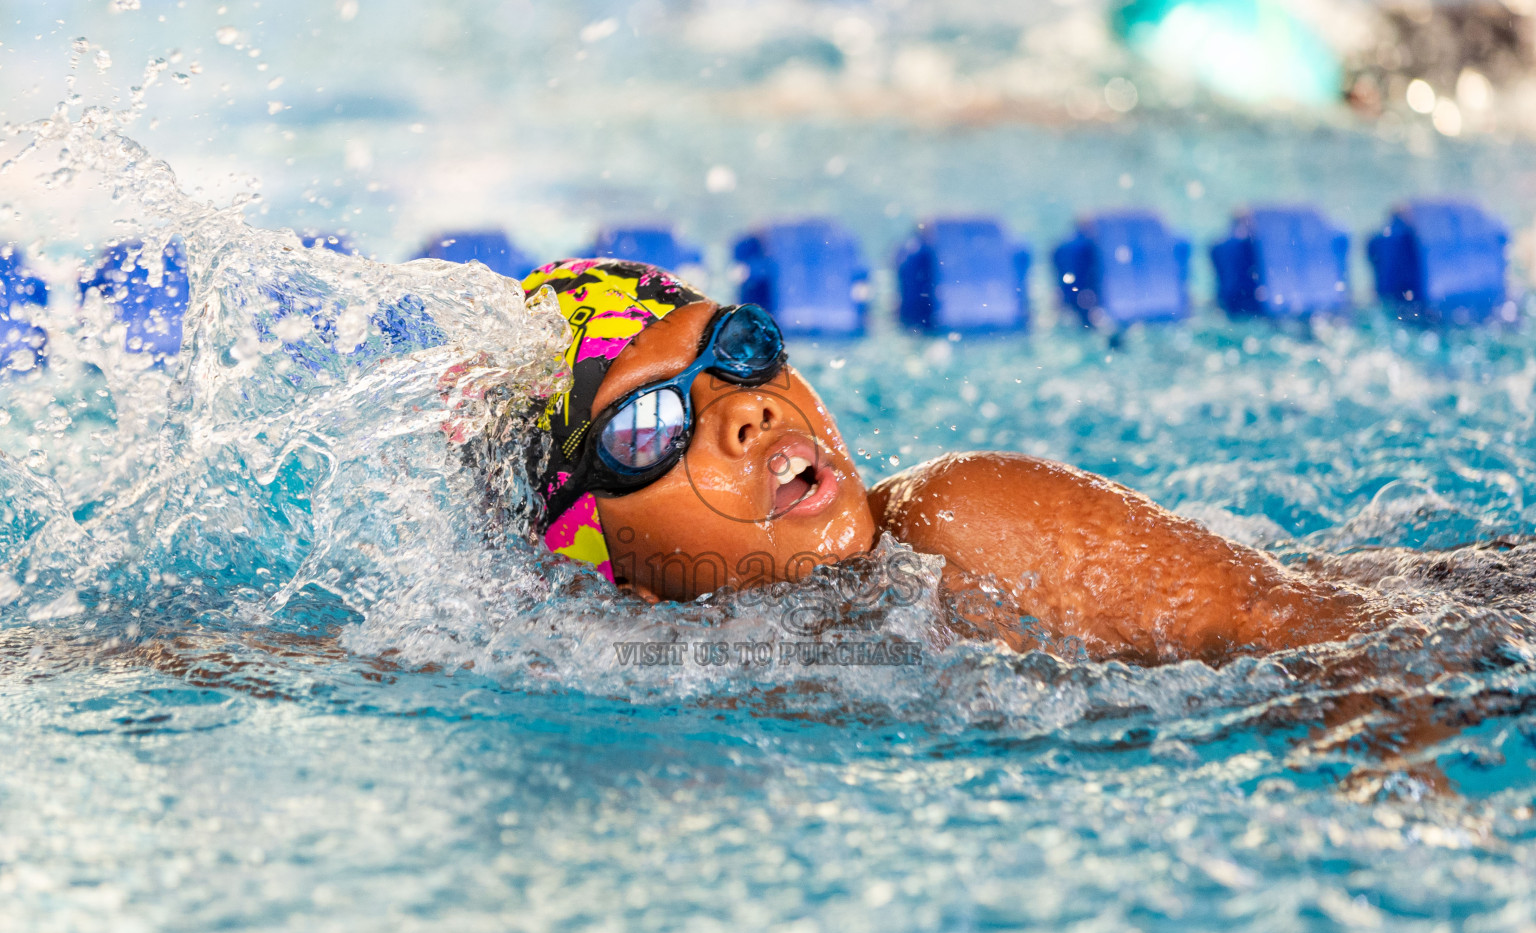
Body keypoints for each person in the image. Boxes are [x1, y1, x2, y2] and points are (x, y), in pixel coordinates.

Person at [514, 258, 1377, 665]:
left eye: (738, 350)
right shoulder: (658, 680)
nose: (744, 409)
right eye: (648, 426)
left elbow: (1349, 642)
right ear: (597, 561)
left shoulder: (955, 525)